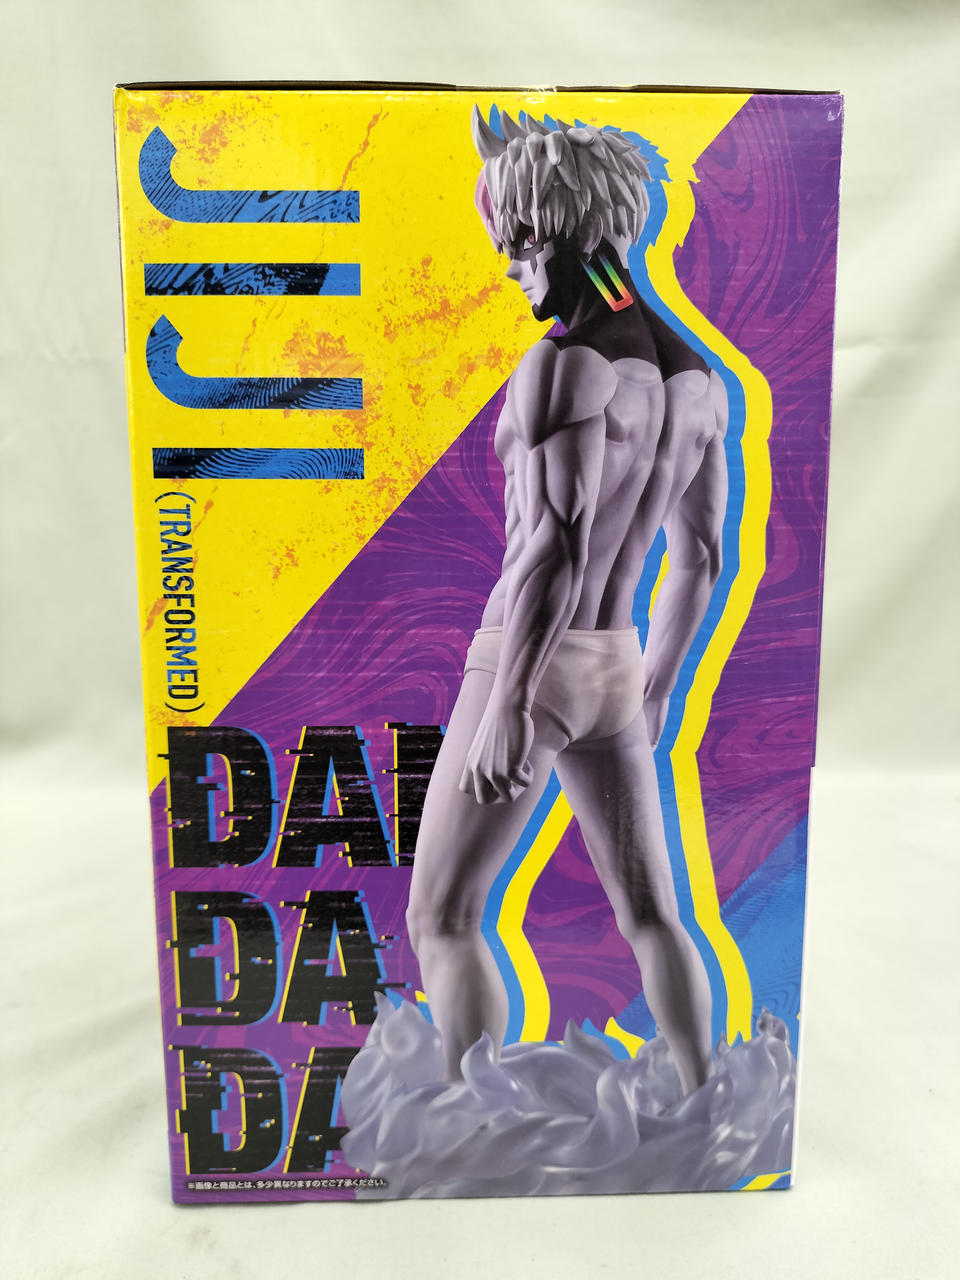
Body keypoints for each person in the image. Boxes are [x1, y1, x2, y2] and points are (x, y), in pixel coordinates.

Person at [406, 108, 728, 1093]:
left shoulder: (564, 366)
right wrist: (657, 687)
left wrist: (510, 703)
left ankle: (466, 1118)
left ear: (557, 229)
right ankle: (707, 1104)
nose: (510, 268)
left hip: (529, 655)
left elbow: (555, 546)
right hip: (618, 663)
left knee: (443, 916)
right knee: (654, 914)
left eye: (516, 244)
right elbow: (701, 557)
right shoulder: (699, 382)